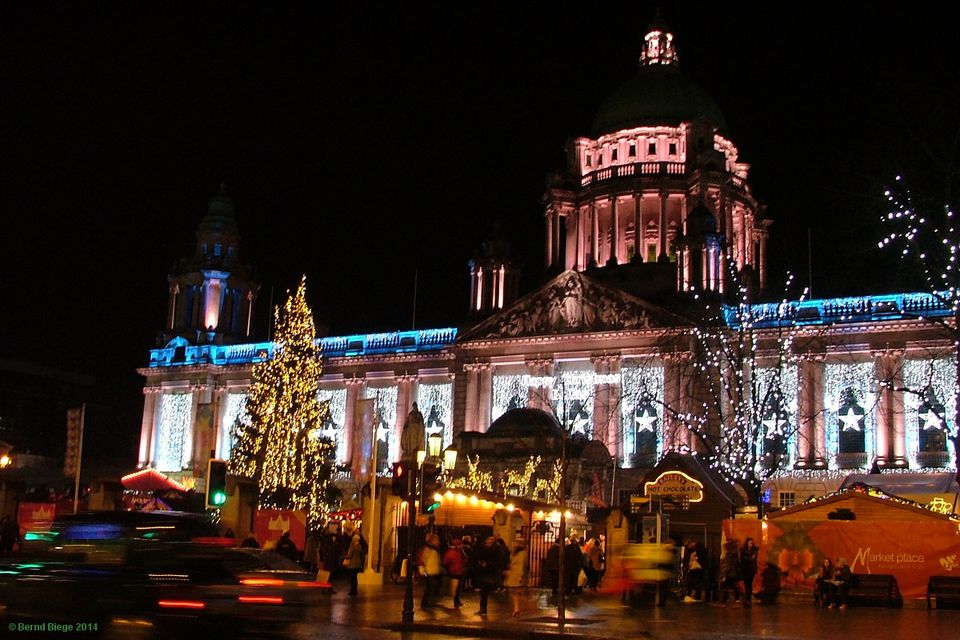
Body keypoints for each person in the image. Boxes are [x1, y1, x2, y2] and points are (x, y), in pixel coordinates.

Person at [473, 536, 501, 615]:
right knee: (484, 592)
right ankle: (483, 608)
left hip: (489, 573)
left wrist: (487, 564)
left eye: (491, 541)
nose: (489, 542)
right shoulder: (483, 549)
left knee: (485, 592)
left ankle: (483, 608)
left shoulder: (496, 551)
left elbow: (497, 562)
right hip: (484, 573)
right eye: (488, 540)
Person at [504, 541, 528, 616]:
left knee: (517, 592)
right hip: (513, 573)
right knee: (514, 592)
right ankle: (517, 608)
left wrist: (521, 575)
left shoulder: (522, 553)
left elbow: (522, 564)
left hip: (517, 574)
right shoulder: (513, 552)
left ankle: (518, 608)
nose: (513, 545)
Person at [419, 533, 442, 608]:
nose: (438, 542)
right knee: (430, 588)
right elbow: (423, 560)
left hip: (433, 571)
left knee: (431, 588)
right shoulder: (428, 549)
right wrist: (423, 572)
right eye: (436, 540)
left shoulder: (434, 549)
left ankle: (427, 602)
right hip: (429, 572)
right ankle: (425, 603)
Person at [443, 538, 467, 608]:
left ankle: (457, 601)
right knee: (457, 588)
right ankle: (456, 601)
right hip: (455, 572)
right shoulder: (453, 552)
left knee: (458, 588)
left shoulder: (457, 552)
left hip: (457, 571)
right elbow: (446, 562)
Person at [717, 540, 742, 607]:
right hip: (733, 573)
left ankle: (724, 601)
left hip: (729, 573)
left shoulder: (730, 554)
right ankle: (735, 600)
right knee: (731, 585)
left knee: (724, 585)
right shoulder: (735, 553)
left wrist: (724, 574)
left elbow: (727, 565)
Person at [740, 538, 759, 607]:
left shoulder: (755, 550)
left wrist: (748, 558)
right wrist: (750, 558)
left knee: (749, 584)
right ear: (747, 543)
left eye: (752, 543)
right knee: (746, 584)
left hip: (751, 570)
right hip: (745, 569)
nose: (751, 545)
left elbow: (754, 559)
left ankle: (748, 600)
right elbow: (743, 559)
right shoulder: (743, 550)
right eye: (750, 543)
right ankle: (747, 600)